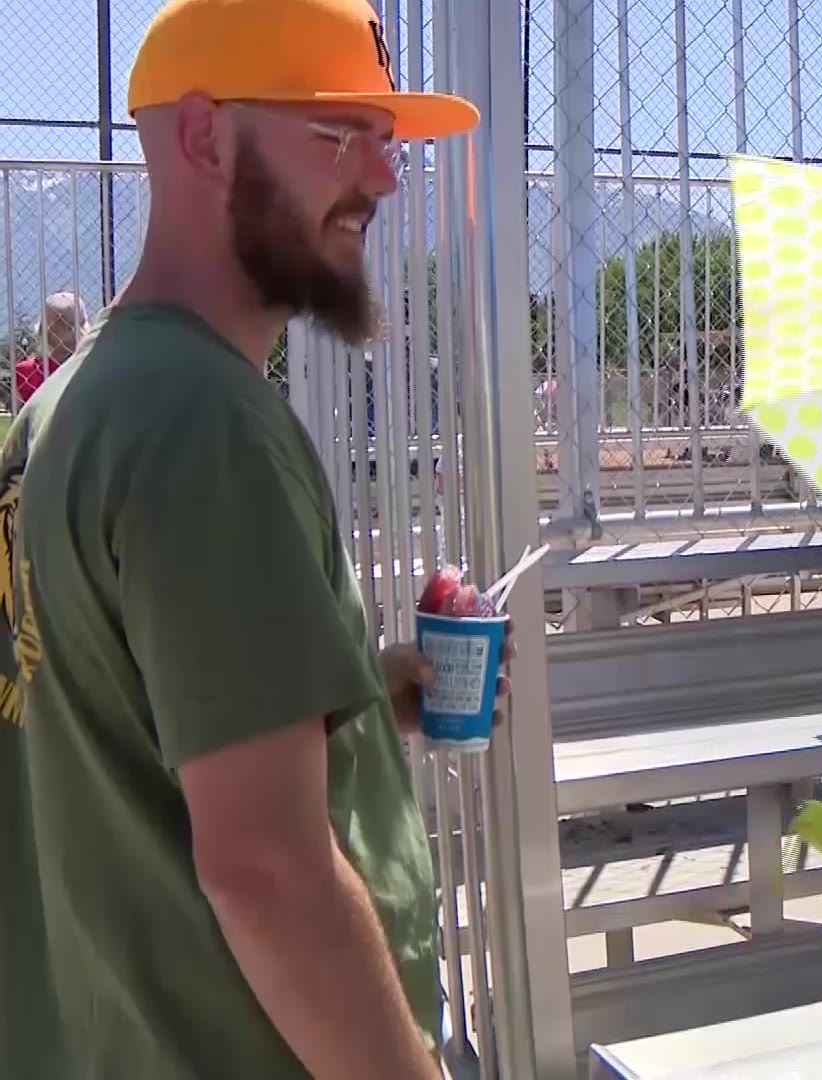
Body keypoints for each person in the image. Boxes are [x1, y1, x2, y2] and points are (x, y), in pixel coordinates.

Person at [0, 1, 492, 1076]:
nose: (382, 177)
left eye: (386, 136)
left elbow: (118, 723)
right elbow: (268, 871)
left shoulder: (62, 411)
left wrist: (362, 694)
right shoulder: (202, 422)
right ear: (202, 134)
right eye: (335, 134)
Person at [14, 291, 88, 405]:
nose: (73, 333)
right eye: (66, 326)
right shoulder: (27, 371)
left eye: (74, 326)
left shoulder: (28, 370)